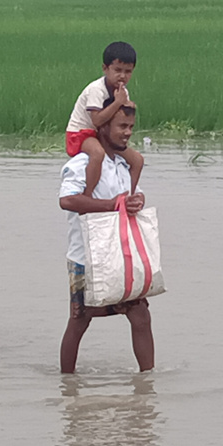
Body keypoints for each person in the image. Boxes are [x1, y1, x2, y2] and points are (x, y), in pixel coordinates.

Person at [58, 99, 154, 374]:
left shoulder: (122, 165)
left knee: (140, 315)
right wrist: (111, 205)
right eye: (122, 126)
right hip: (85, 258)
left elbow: (130, 197)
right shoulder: (81, 164)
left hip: (118, 255)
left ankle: (147, 384)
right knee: (79, 320)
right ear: (102, 128)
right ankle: (67, 384)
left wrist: (136, 201)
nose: (127, 133)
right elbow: (67, 201)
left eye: (131, 127)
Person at [65, 41, 144, 197]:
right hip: (81, 134)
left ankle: (128, 196)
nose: (122, 76)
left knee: (137, 160)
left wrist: (128, 106)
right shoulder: (96, 89)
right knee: (97, 154)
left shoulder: (122, 92)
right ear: (105, 68)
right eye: (117, 70)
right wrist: (119, 103)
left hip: (102, 135)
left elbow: (122, 116)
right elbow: (97, 121)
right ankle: (88, 195)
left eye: (128, 72)